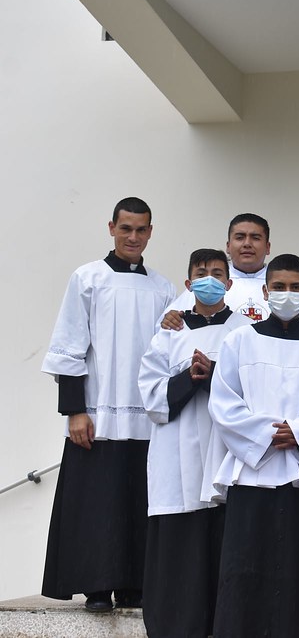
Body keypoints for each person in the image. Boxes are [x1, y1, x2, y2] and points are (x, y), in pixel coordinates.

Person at [205, 253, 299, 637]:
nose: (286, 294)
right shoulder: (240, 340)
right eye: (279, 287)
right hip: (251, 473)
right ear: (265, 290)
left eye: (294, 288)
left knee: (297, 567)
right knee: (244, 566)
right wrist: (268, 434)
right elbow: (223, 402)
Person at [41, 197, 176, 612]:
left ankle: (134, 585)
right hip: (97, 412)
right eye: (125, 228)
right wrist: (75, 411)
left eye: (141, 230)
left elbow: (169, 352)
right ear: (112, 228)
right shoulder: (88, 278)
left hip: (147, 415)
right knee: (97, 502)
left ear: (150, 232)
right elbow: (69, 345)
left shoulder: (163, 288)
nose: (133, 237)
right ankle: (97, 588)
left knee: (140, 499)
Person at [137, 248, 251, 638]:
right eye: (201, 273)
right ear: (188, 284)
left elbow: (256, 390)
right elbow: (151, 395)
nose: (209, 280)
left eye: (217, 273)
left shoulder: (246, 331)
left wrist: (215, 374)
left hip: (226, 450)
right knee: (180, 547)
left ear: (229, 283)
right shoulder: (169, 332)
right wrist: (189, 378)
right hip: (178, 451)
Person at [167, 213, 274, 322]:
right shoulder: (208, 284)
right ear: (228, 246)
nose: (247, 244)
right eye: (240, 237)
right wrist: (171, 319)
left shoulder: (278, 283)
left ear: (267, 247)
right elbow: (171, 323)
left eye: (255, 238)